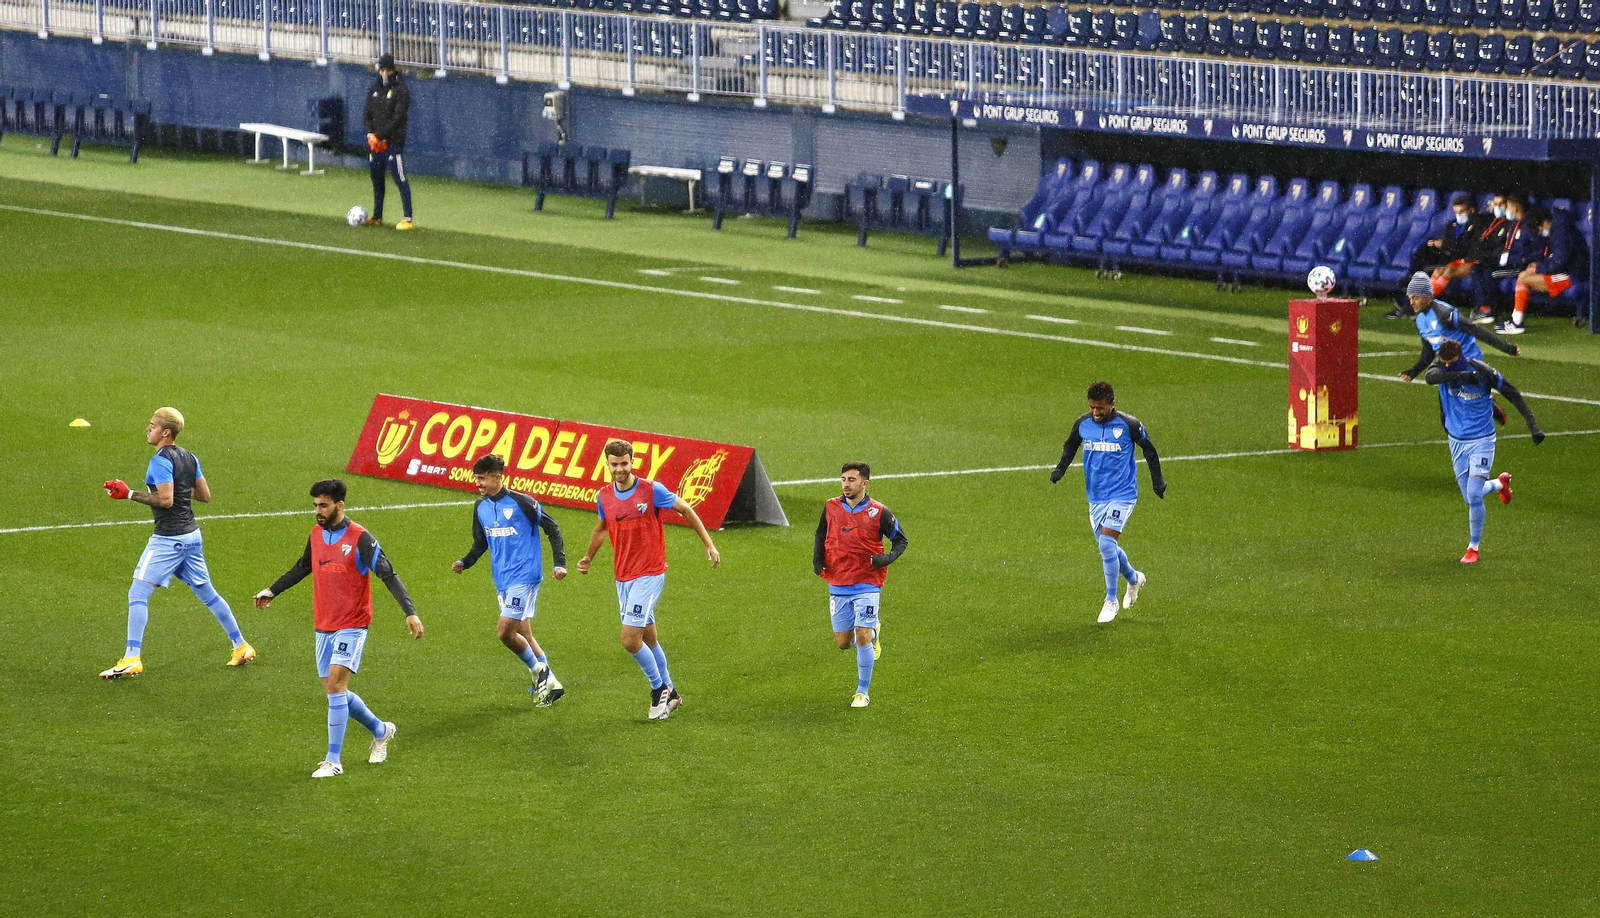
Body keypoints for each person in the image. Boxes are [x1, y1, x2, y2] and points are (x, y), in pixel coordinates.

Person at [253, 479, 424, 779]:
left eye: (323, 505)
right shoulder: (316, 533)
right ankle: (381, 731)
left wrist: (410, 612)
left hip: (353, 624)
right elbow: (302, 567)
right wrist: (273, 590)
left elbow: (389, 575)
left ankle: (333, 760)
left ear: (339, 505)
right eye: (315, 505)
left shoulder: (361, 539)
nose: (318, 511)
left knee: (335, 684)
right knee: (335, 691)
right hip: (323, 624)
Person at [99, 407, 253, 679]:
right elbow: (204, 495)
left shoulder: (160, 460)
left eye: (152, 425)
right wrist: (179, 487)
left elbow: (166, 500)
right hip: (192, 536)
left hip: (168, 539)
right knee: (208, 593)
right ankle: (240, 645)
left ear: (165, 432)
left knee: (138, 593)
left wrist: (129, 493)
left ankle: (132, 657)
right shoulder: (189, 457)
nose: (148, 429)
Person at [576, 440, 720, 721]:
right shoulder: (604, 496)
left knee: (630, 639)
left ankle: (659, 690)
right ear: (608, 464)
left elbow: (686, 509)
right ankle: (673, 693)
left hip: (650, 573)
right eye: (614, 464)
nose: (619, 469)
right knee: (648, 637)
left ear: (632, 462)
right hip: (623, 576)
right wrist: (588, 558)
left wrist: (708, 544)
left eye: (624, 463)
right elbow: (601, 528)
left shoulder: (651, 491)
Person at [452, 454, 568, 705]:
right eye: (476, 479)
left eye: (482, 479)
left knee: (505, 632)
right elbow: (480, 543)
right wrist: (465, 562)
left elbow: (552, 528)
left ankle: (539, 673)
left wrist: (559, 563)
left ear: (497, 477)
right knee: (523, 632)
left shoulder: (523, 502)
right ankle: (551, 686)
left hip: (525, 576)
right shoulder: (480, 507)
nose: (478, 483)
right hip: (502, 580)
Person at [1050, 382, 1166, 624]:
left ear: (1112, 404)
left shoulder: (1129, 425)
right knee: (1108, 548)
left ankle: (1110, 600)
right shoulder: (1083, 424)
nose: (1095, 412)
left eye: (1100, 408)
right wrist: (1061, 468)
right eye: (1092, 407)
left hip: (1123, 494)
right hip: (1096, 497)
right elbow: (1071, 444)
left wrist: (1157, 480)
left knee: (1106, 544)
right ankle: (1134, 579)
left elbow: (1150, 450)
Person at [1423, 339, 1544, 563]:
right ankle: (1500, 484)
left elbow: (1513, 394)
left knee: (1474, 495)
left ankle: (1473, 547)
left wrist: (1533, 426)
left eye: (1451, 363)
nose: (1446, 367)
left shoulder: (1482, 371)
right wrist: (1459, 376)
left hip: (1482, 440)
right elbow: (1431, 378)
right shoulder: (1440, 368)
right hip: (1456, 441)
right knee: (1469, 496)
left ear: (1460, 357)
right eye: (1444, 363)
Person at [813, 462, 908, 709]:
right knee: (844, 642)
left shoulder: (879, 512)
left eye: (852, 480)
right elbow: (820, 534)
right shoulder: (831, 507)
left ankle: (862, 691)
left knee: (862, 636)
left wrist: (885, 559)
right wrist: (817, 560)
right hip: (838, 580)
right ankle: (874, 629)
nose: (846, 484)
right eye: (843, 479)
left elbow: (900, 541)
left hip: (868, 582)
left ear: (864, 483)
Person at [1398, 272, 1521, 386]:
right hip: (1448, 365)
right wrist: (1414, 371)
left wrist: (1507, 348)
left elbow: (1477, 331)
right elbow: (1429, 351)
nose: (1411, 302)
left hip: (1469, 362)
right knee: (1436, 386)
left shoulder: (1444, 314)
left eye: (1415, 298)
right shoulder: (1420, 320)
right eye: (1410, 298)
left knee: (1473, 403)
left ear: (1426, 296)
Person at [1387, 194, 1487, 320]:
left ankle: (1414, 304)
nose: (1459, 215)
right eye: (1456, 212)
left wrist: (1445, 245)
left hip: (1462, 259)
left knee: (1439, 271)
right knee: (1426, 254)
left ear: (1471, 210)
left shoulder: (1476, 226)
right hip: (1449, 257)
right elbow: (1447, 240)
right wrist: (1437, 243)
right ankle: (1412, 283)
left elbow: (1465, 248)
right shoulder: (1452, 226)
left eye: (1462, 212)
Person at [1501, 206, 1591, 335]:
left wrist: (1539, 268)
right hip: (1567, 271)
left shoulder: (1561, 232)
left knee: (1524, 278)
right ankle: (1516, 321)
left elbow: (1561, 261)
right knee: (1525, 274)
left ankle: (1517, 323)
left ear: (1544, 223)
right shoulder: (1558, 227)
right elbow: (1556, 258)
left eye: (1539, 229)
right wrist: (1539, 266)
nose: (1540, 232)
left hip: (1574, 275)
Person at [363, 53, 414, 230]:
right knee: (377, 180)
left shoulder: (401, 90)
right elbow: (367, 114)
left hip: (393, 143)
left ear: (393, 70)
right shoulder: (374, 88)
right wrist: (370, 134)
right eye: (382, 70)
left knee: (400, 178)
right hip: (375, 144)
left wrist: (381, 136)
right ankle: (377, 216)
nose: (384, 73)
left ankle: (407, 218)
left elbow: (397, 118)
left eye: (387, 70)